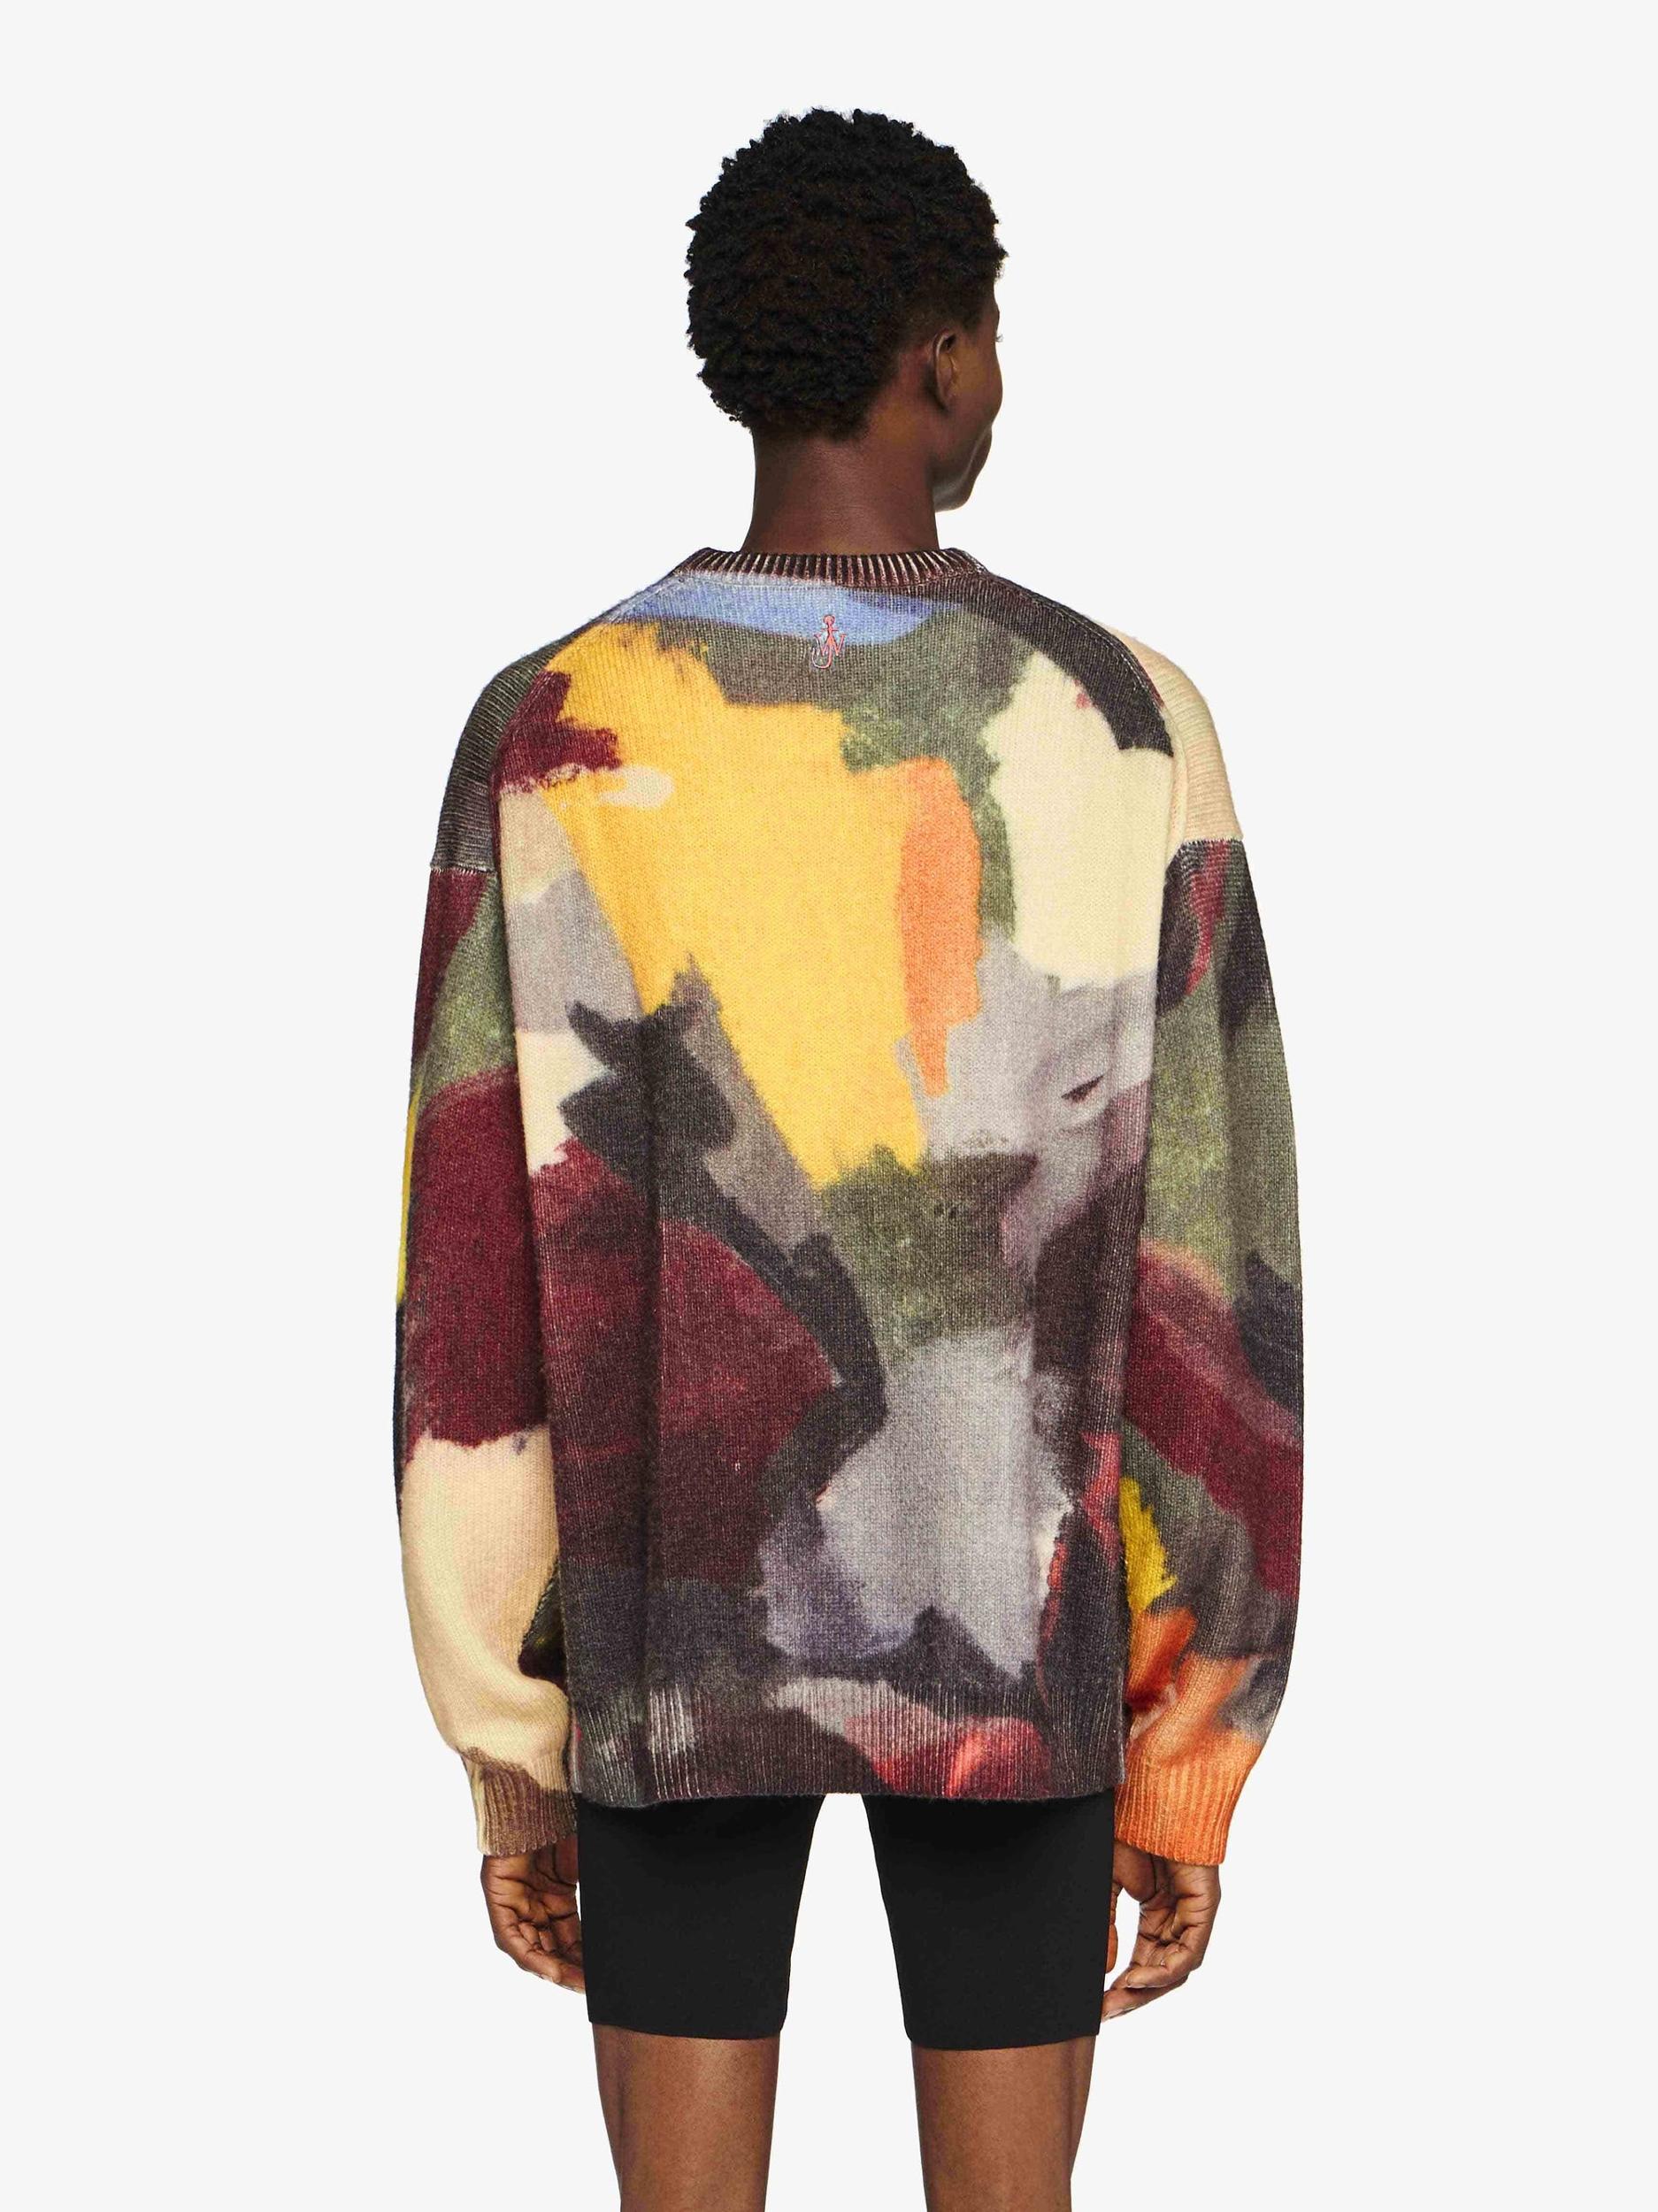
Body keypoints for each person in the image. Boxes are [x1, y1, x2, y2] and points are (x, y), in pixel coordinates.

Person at [393, 105, 1303, 2212]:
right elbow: (1215, 1242)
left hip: (664, 1632)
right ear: (946, 355)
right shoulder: (1122, 716)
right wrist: (1191, 1728)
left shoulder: (548, 719)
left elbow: (471, 1271)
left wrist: (513, 1746)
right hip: (1018, 1636)